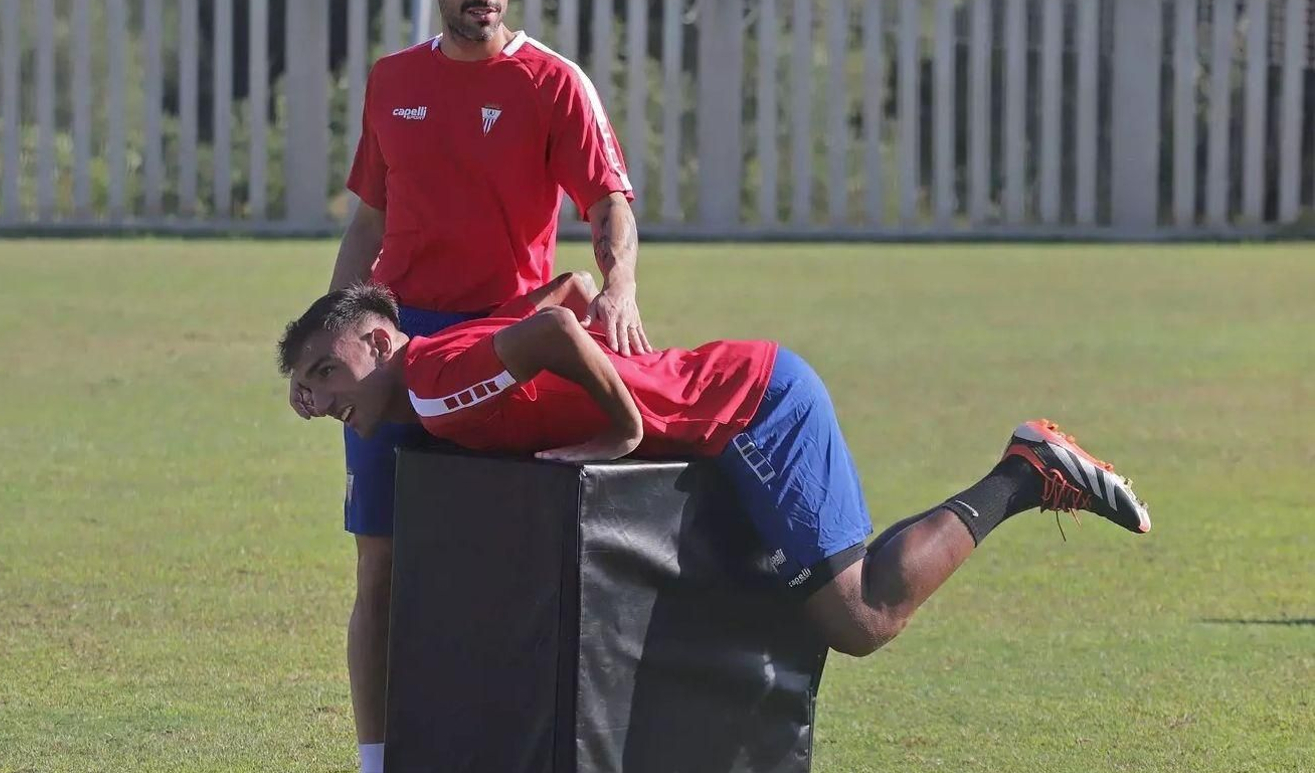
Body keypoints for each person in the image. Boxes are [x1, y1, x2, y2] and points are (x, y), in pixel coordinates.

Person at [278, 273, 1152, 665]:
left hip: (753, 407)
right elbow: (570, 288)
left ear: (380, 343)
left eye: (326, 373)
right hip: (728, 407)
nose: (319, 400)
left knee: (861, 619)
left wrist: (626, 422)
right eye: (306, 389)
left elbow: (556, 328)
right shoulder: (433, 367)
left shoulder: (433, 386)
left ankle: (1027, 471)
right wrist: (636, 378)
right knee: (840, 605)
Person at [290, 0, 649, 773]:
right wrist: (327, 343)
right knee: (380, 561)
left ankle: (504, 758)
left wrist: (621, 289)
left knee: (503, 559)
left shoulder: (553, 83)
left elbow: (608, 202)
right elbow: (368, 222)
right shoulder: (392, 81)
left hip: (503, 344)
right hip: (392, 347)